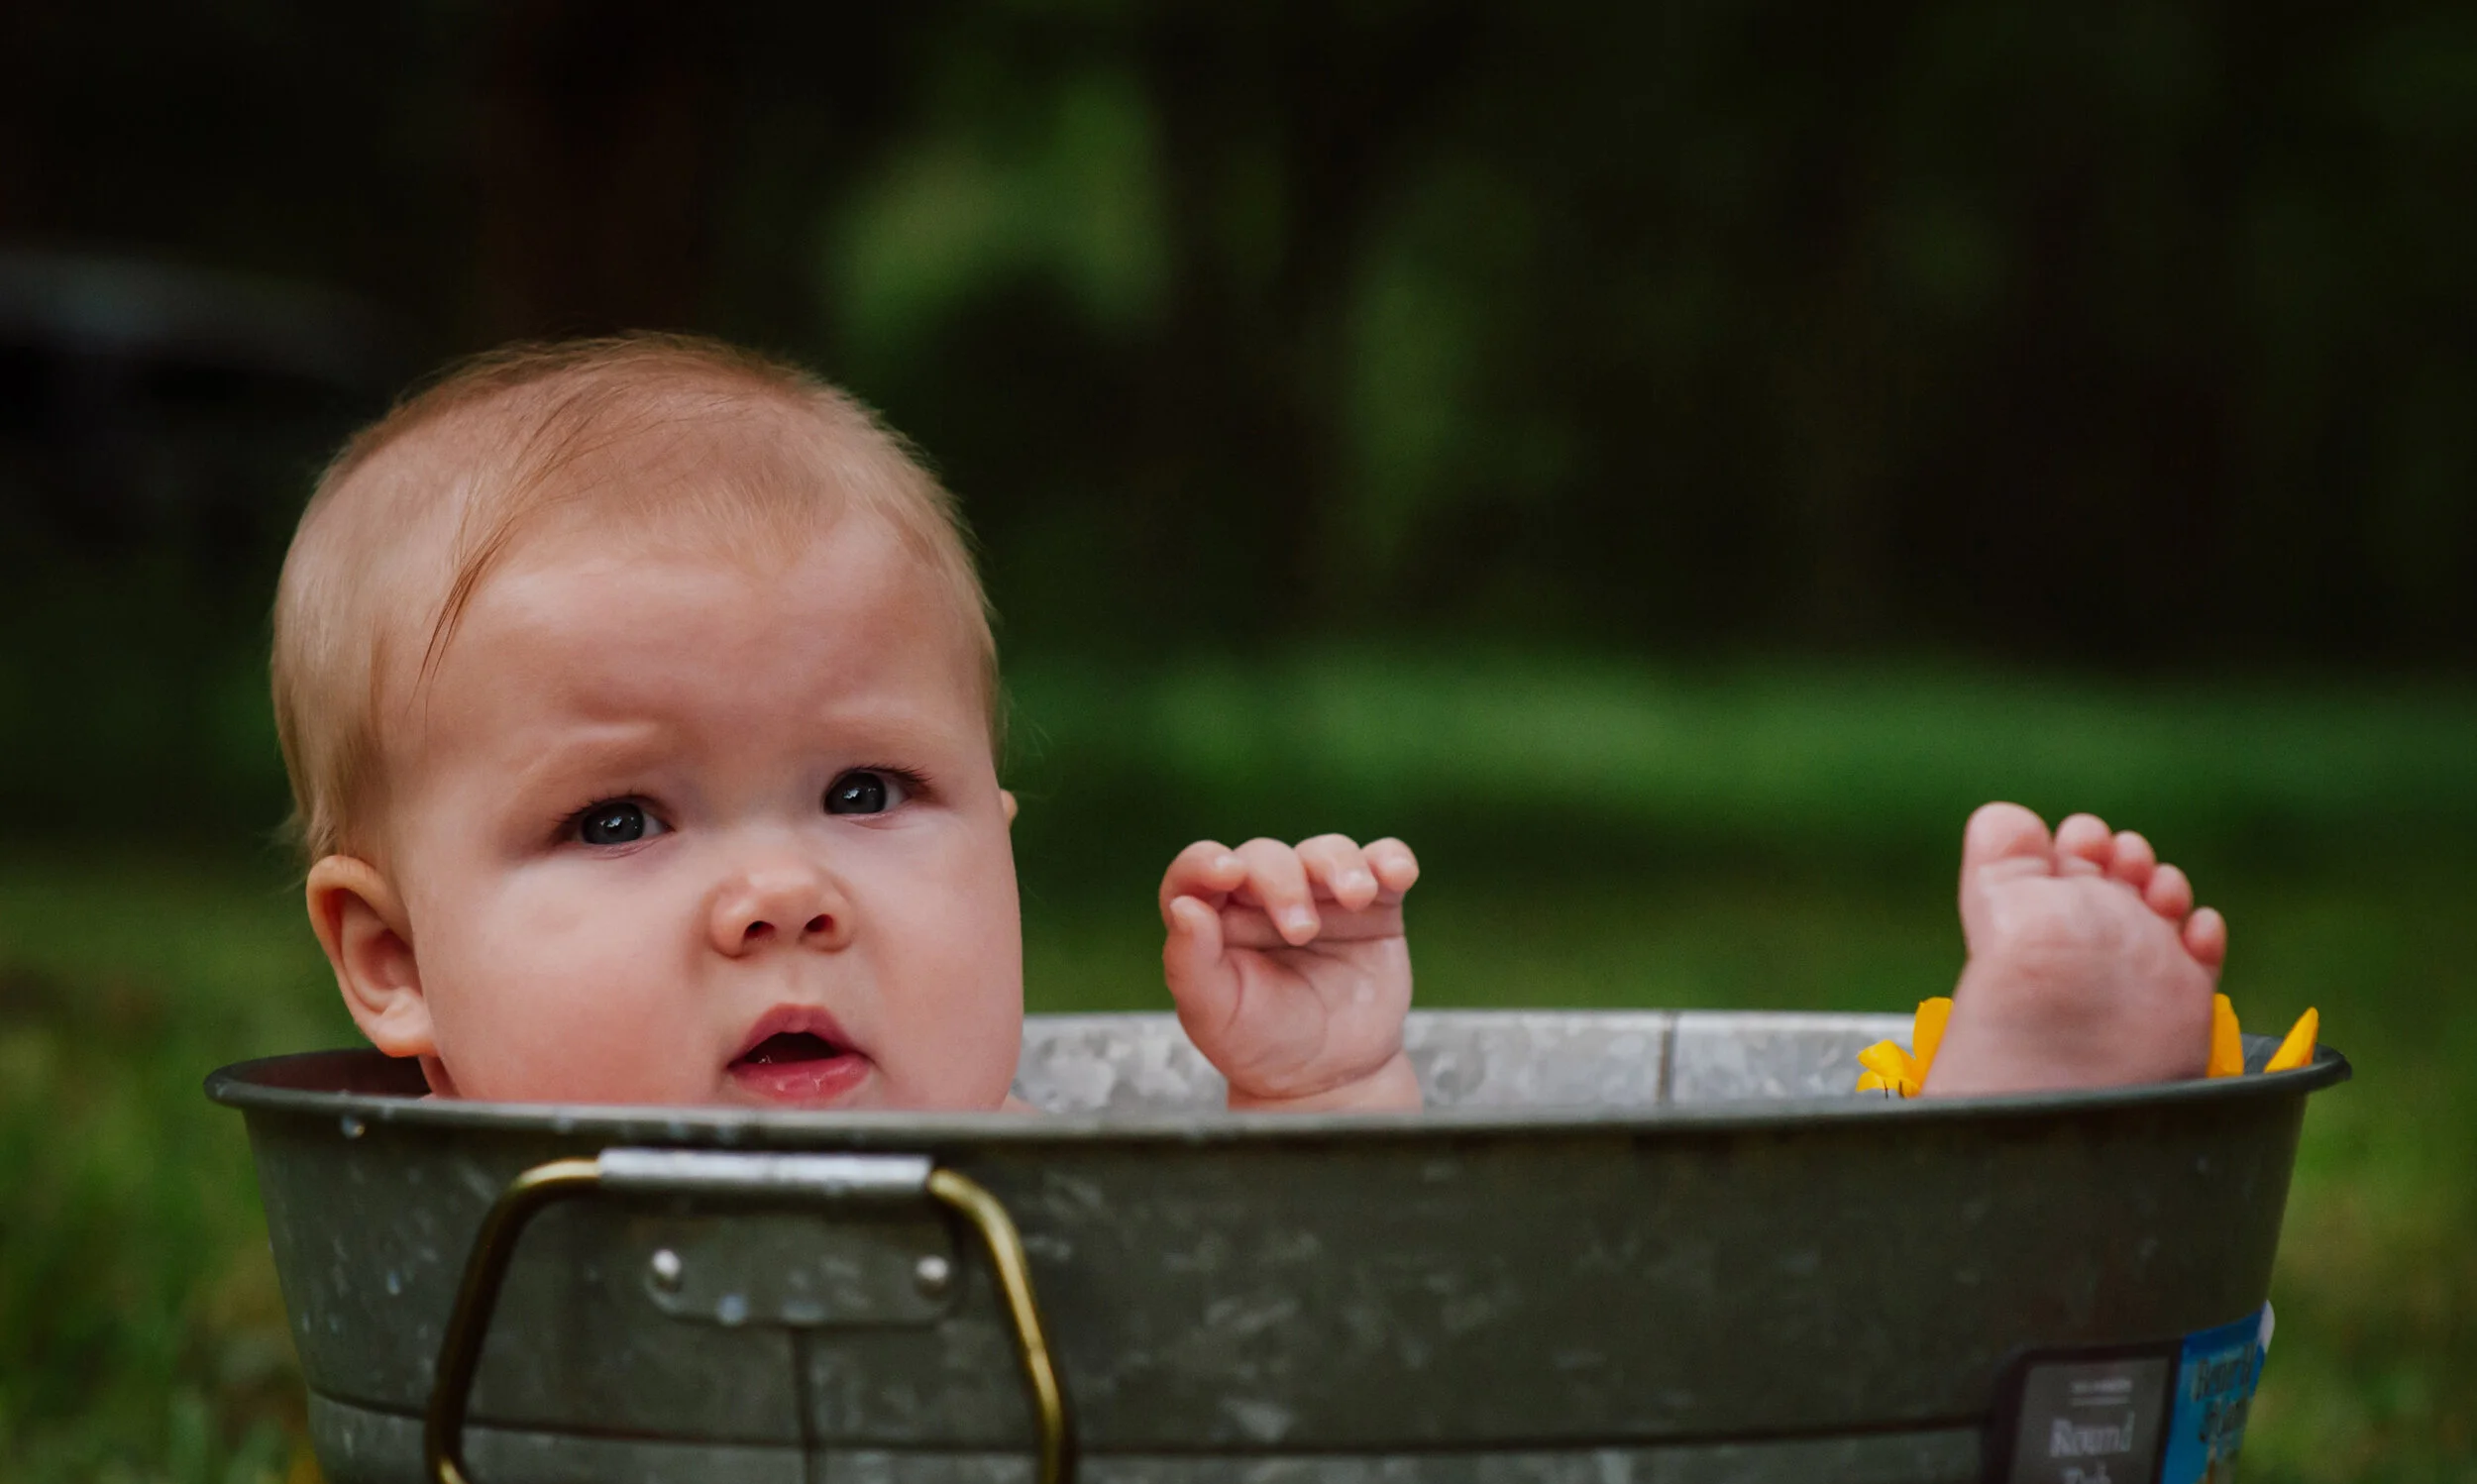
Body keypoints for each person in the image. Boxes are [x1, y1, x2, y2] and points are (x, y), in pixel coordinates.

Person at [271, 334, 2225, 1113]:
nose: (780, 890)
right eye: (620, 821)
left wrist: (1319, 1097)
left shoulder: (1054, 1167)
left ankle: (2017, 1131)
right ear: (390, 957)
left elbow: (1359, 1397)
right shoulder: (479, 1295)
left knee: (1621, 1376)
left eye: (869, 787)